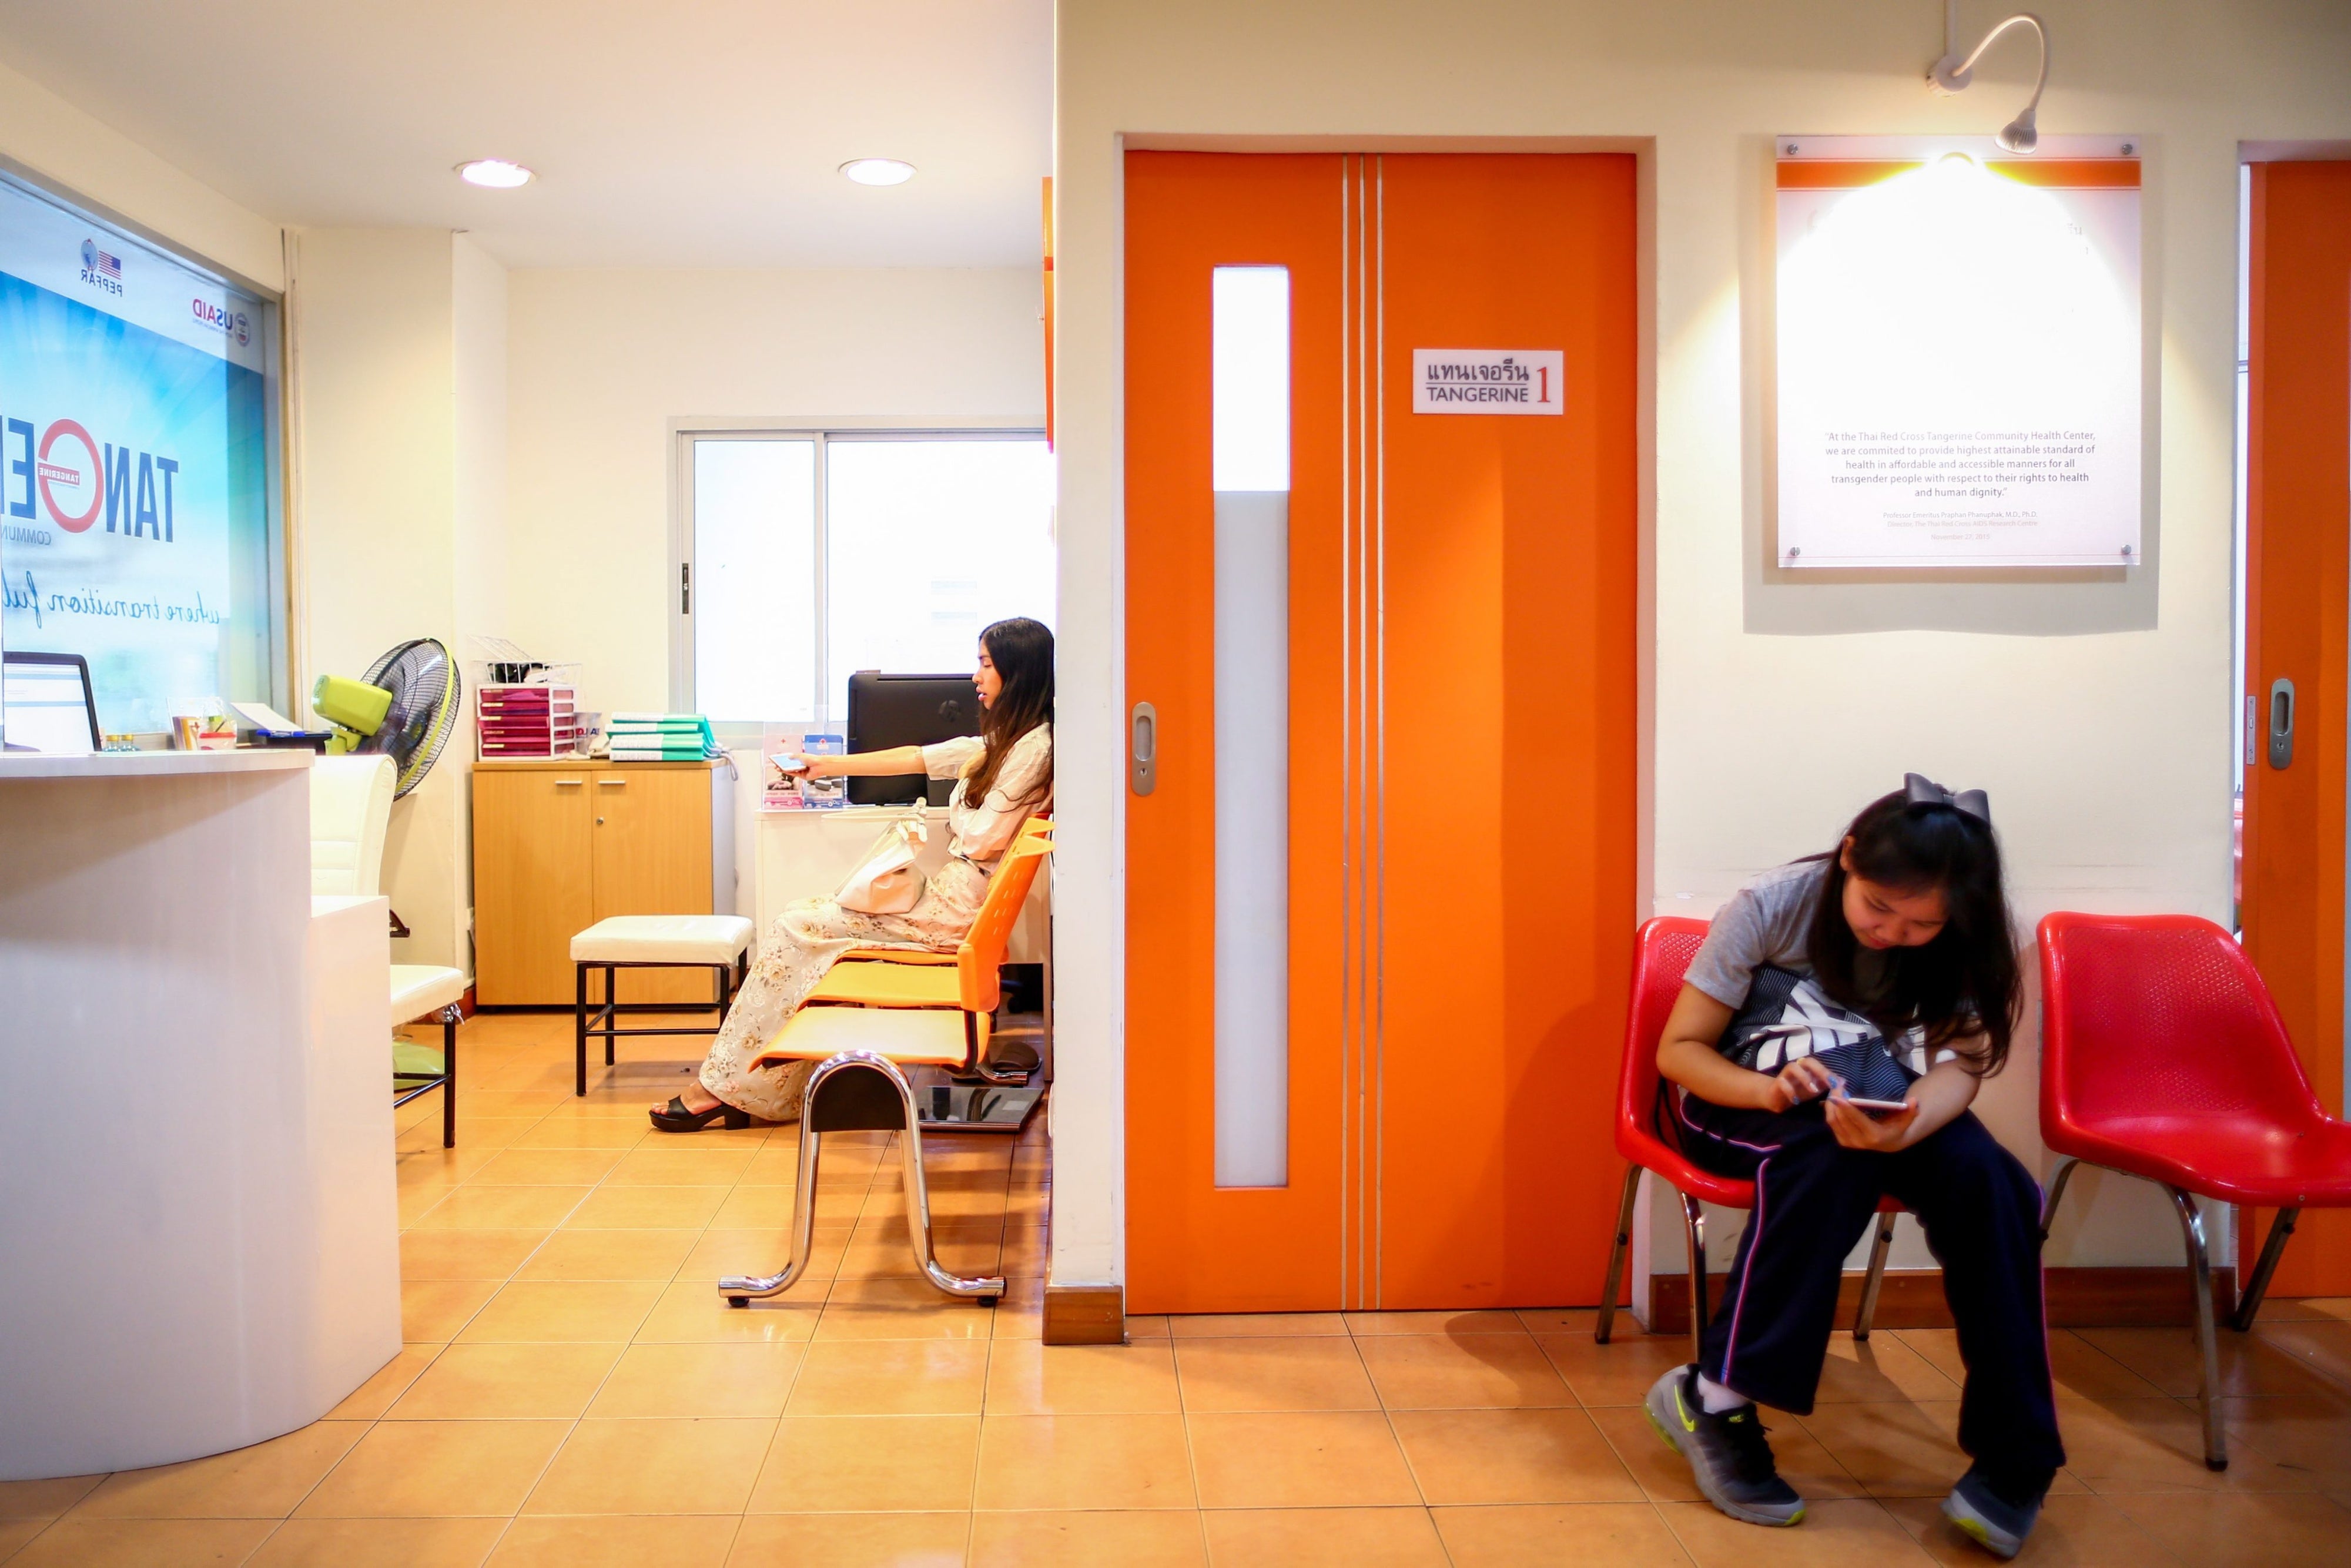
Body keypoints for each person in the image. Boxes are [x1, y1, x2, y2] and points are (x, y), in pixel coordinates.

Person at [1644, 775, 2061, 1562]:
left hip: (1881, 1102)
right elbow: (1681, 1052)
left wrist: (1907, 1134)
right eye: (1878, 908)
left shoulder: (1970, 933)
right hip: (1738, 1095)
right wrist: (1771, 1090)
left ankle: (2017, 1451)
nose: (1892, 934)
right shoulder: (1773, 905)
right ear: (1847, 861)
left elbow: (1959, 1072)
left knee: (1995, 1182)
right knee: (1826, 1163)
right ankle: (1714, 1399)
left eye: (1920, 926)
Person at [650, 617, 1053, 1132]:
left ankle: (725, 1089)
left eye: (985, 665)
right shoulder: (1008, 743)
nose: (976, 677)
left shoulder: (1033, 750)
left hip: (951, 914)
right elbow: (920, 757)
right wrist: (826, 766)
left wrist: (959, 810)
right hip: (952, 899)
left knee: (798, 925)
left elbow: (979, 839)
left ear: (1016, 674)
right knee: (804, 921)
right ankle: (757, 1090)